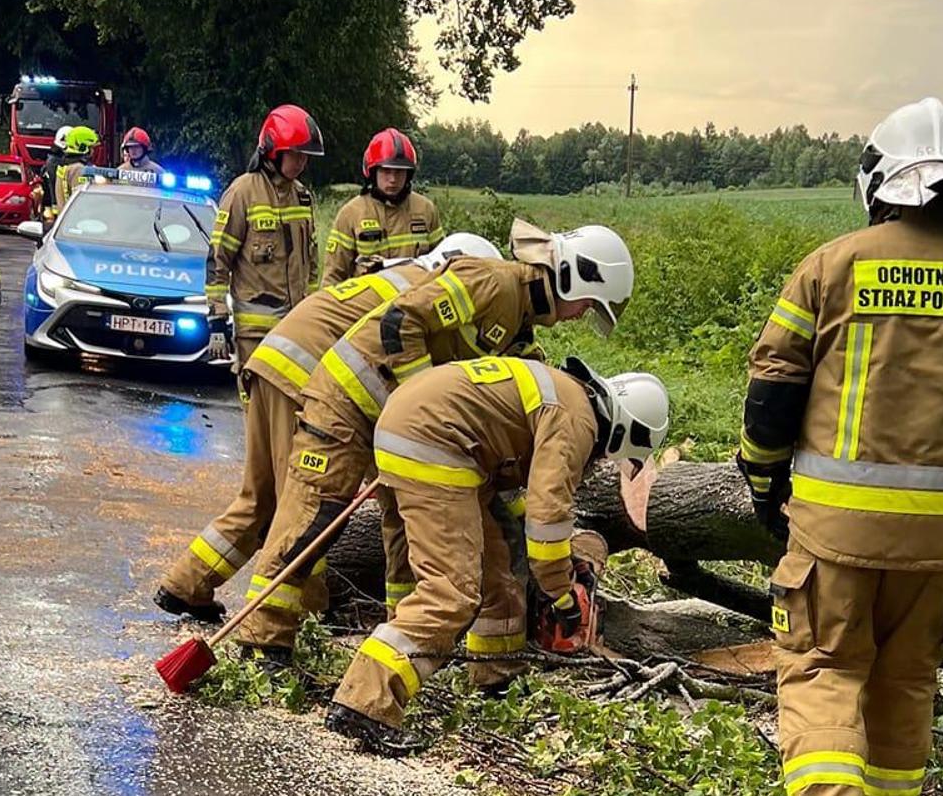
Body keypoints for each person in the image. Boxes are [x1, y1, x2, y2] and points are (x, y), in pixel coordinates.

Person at [738, 97, 943, 796]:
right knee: (906, 683)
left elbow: (774, 389)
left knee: (823, 672)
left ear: (879, 178)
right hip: (942, 546)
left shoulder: (832, 267)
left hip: (835, 537)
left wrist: (763, 482)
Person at [231, 220, 635, 662]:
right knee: (313, 517)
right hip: (348, 400)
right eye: (588, 305)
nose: (581, 316)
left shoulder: (520, 329)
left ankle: (402, 644)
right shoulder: (493, 282)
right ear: (576, 275)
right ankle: (262, 641)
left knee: (408, 530)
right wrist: (417, 400)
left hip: (399, 425)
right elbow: (400, 321)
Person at [154, 233, 503, 623]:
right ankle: (308, 615)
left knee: (261, 496)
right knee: (307, 509)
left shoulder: (399, 275)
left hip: (271, 363)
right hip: (307, 382)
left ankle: (186, 585)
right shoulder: (429, 296)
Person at [325, 356, 667, 754]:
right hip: (437, 443)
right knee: (450, 592)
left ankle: (497, 676)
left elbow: (517, 487)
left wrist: (537, 544)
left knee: (499, 560)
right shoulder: (579, 420)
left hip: (430, 435)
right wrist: (562, 594)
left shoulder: (567, 395)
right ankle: (364, 704)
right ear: (628, 429)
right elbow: (547, 518)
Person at [204, 105, 323, 369]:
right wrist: (217, 320)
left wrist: (312, 313)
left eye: (305, 156)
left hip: (296, 330)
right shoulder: (242, 192)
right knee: (257, 405)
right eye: (295, 155)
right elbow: (218, 260)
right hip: (254, 335)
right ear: (273, 151)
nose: (302, 162)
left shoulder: (303, 196)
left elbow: (312, 263)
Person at [322, 128, 443, 286]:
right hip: (367, 306)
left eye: (399, 172)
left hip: (413, 304)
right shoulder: (351, 213)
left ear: (409, 174)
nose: (393, 179)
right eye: (386, 171)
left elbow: (441, 265)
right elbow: (333, 275)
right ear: (373, 172)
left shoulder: (426, 210)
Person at [50, 124, 100, 221]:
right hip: (78, 223)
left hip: (66, 222)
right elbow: (83, 203)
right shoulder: (79, 170)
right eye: (91, 147)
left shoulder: (65, 166)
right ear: (82, 147)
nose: (93, 151)